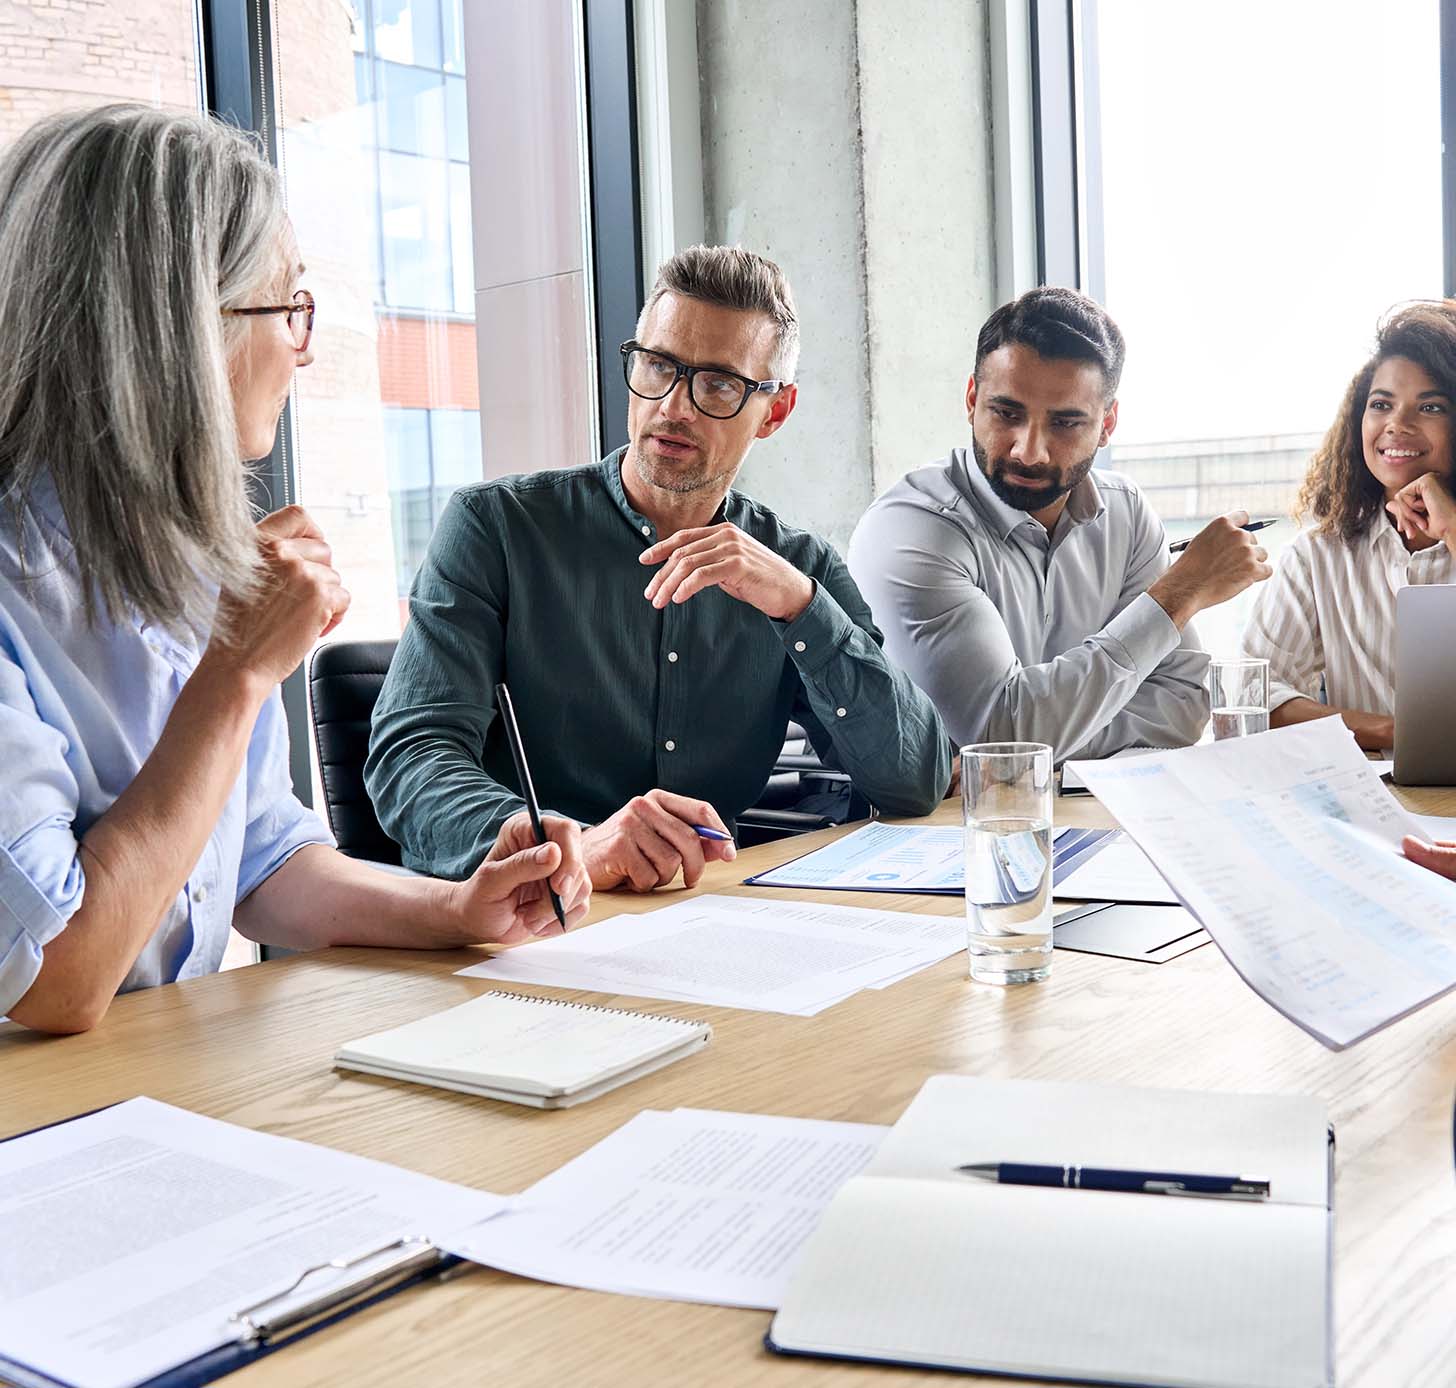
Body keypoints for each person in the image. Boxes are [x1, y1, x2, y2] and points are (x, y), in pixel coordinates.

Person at [0, 106, 590, 1036]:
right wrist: (236, 673)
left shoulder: (190, 555)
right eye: (287, 306)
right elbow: (54, 976)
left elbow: (259, 862)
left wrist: (454, 909)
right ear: (181, 332)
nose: (304, 346)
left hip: (144, 1084)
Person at [366, 245, 950, 891]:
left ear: (775, 412)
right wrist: (572, 851)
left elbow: (914, 779)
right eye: (658, 366)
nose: (675, 406)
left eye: (719, 384)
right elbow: (410, 763)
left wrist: (799, 606)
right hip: (526, 923)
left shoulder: (798, 567)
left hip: (710, 925)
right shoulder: (494, 529)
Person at [846, 286, 1270, 761]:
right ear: (972, 398)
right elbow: (998, 738)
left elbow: (1185, 706)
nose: (1029, 451)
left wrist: (1046, 747)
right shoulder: (913, 529)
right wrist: (1179, 594)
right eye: (1006, 413)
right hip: (926, 830)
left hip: (1076, 816)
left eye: (1065, 423)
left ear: (1107, 424)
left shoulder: (1125, 514)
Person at [1241, 301, 1456, 748]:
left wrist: (1452, 527)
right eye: (1382, 404)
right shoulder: (1317, 555)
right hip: (1374, 803)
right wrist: (1398, 733)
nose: (1397, 424)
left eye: (1431, 407)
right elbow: (1256, 695)